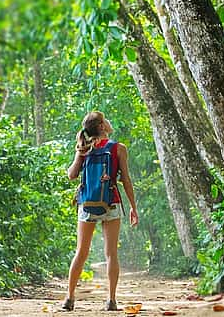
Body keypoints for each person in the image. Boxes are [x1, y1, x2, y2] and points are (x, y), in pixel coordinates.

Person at [62, 111, 138, 312]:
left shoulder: (84, 148)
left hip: (87, 204)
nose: (108, 122)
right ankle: (111, 300)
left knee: (81, 252)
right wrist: (133, 207)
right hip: (111, 204)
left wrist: (80, 153)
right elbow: (126, 180)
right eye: (106, 120)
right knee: (111, 253)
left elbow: (71, 175)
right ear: (102, 127)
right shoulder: (118, 149)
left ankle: (69, 298)